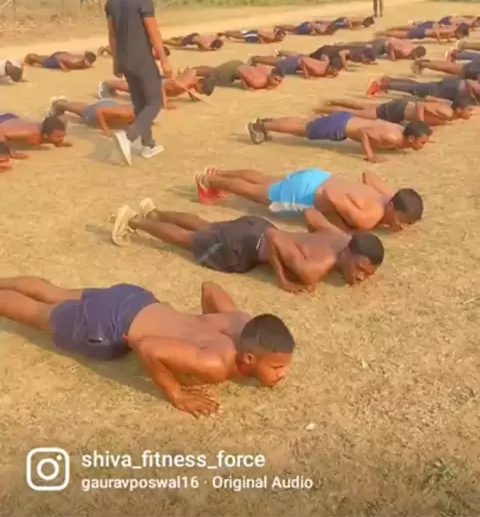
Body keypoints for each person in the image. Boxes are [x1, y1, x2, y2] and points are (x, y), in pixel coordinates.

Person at [0, 275, 294, 417]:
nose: (283, 373)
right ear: (249, 358)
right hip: (110, 323)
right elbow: (149, 347)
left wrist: (194, 329)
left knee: (55, 292)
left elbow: (210, 287)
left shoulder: (241, 322)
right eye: (277, 367)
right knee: (37, 313)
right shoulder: (216, 364)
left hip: (136, 299)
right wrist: (177, 394)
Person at [111, 200, 384, 293]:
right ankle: (134, 220)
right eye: (360, 269)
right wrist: (283, 279)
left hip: (254, 225)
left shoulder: (340, 236)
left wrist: (306, 241)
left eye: (366, 274)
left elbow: (312, 215)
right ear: (348, 253)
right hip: (246, 245)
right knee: (189, 240)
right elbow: (274, 238)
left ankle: (155, 213)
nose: (360, 277)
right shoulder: (315, 269)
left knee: (206, 226)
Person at [195, 166, 424, 233]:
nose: (401, 226)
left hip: (319, 175)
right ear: (392, 207)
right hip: (307, 192)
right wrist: (342, 227)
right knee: (255, 193)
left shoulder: (384, 196)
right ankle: (207, 180)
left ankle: (220, 173)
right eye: (402, 220)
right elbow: (331, 196)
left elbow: (368, 175)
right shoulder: (369, 218)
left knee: (264, 179)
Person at [105, 0, 172, 166]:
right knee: (155, 102)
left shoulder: (112, 0)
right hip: (141, 58)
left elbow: (112, 35)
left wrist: (115, 60)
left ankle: (148, 144)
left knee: (140, 103)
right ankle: (129, 136)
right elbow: (153, 32)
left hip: (125, 59)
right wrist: (164, 60)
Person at [246, 114, 431, 162]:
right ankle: (260, 126)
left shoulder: (401, 131)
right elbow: (365, 132)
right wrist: (370, 155)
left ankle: (267, 122)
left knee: (305, 124)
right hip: (340, 127)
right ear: (411, 138)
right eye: (422, 142)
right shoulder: (393, 137)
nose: (424, 145)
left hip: (344, 120)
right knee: (302, 129)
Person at [314, 95, 474, 126]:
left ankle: (331, 102)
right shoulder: (447, 112)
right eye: (469, 110)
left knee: (362, 107)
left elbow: (428, 98)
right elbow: (422, 105)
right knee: (358, 114)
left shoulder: (449, 108)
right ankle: (322, 109)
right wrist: (418, 123)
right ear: (459, 110)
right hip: (399, 110)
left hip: (401, 108)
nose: (471, 113)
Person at [98, 70, 215, 105]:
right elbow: (162, 87)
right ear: (200, 84)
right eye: (202, 91)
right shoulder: (185, 84)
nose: (200, 93)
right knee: (132, 88)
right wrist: (164, 103)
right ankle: (106, 84)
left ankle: (111, 87)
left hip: (160, 82)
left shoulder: (192, 79)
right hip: (158, 85)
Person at [48, 96, 136, 136]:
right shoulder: (127, 113)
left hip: (110, 105)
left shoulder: (136, 111)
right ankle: (59, 105)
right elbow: (100, 111)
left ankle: (63, 103)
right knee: (85, 111)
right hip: (99, 111)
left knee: (86, 107)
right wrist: (106, 129)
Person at [367, 75, 480, 104]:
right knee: (415, 88)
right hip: (446, 89)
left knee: (417, 85)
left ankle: (389, 80)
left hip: (449, 86)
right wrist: (473, 97)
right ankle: (380, 85)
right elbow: (469, 83)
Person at [194, 60, 283, 90]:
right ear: (271, 76)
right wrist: (246, 87)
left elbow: (256, 65)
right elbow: (241, 73)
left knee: (214, 70)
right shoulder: (259, 82)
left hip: (238, 64)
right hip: (232, 70)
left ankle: (193, 70)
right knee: (213, 77)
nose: (277, 83)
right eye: (276, 79)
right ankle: (192, 72)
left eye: (279, 81)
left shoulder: (267, 70)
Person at [0, 113, 69, 149]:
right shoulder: (31, 133)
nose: (62, 139)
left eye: (63, 135)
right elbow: (2, 132)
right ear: (45, 135)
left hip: (13, 122)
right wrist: (11, 152)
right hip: (3, 122)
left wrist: (56, 141)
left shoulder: (47, 131)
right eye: (58, 137)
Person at [249, 53, 344, 78]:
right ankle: (256, 59)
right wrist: (306, 75)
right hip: (295, 63)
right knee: (278, 64)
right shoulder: (320, 70)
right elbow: (303, 61)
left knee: (279, 61)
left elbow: (324, 56)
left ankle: (257, 58)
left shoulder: (325, 64)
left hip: (297, 61)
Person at [376, 22, 469, 42]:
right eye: (462, 35)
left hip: (424, 32)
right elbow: (437, 31)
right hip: (423, 32)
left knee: (405, 33)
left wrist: (447, 38)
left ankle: (386, 31)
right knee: (404, 35)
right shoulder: (451, 30)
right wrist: (439, 40)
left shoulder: (452, 31)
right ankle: (381, 33)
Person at [412, 56, 480, 81]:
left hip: (474, 68)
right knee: (446, 67)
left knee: (448, 67)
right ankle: (421, 63)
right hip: (473, 70)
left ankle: (423, 63)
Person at [24, 51, 97, 71]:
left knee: (44, 59)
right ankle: (29, 58)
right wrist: (64, 68)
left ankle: (33, 57)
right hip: (57, 59)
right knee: (43, 62)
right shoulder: (77, 61)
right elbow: (60, 59)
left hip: (62, 54)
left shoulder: (82, 59)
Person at [219, 29, 286, 44]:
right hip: (255, 35)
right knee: (241, 36)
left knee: (241, 34)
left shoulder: (276, 38)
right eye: (281, 37)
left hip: (256, 35)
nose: (282, 38)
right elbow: (261, 34)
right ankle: (225, 33)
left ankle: (227, 33)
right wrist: (262, 41)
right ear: (277, 35)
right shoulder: (271, 37)